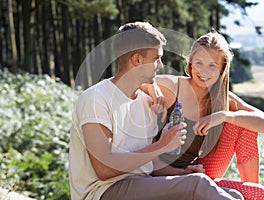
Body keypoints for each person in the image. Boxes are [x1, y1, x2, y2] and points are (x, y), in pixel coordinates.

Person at [68, 22, 245, 200]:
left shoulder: (146, 102)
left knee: (232, 195)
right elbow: (105, 170)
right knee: (197, 185)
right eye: (156, 58)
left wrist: (181, 173)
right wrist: (162, 145)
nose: (161, 65)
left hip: (141, 183)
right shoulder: (96, 98)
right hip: (103, 192)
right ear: (137, 60)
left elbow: (148, 164)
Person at [143, 31, 264, 200]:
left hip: (197, 173)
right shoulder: (173, 87)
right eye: (199, 63)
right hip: (162, 177)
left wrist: (223, 115)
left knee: (244, 122)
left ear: (222, 69)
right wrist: (149, 86)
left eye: (212, 65)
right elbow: (125, 82)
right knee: (260, 194)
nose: (203, 71)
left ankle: (250, 189)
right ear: (190, 62)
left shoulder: (222, 98)